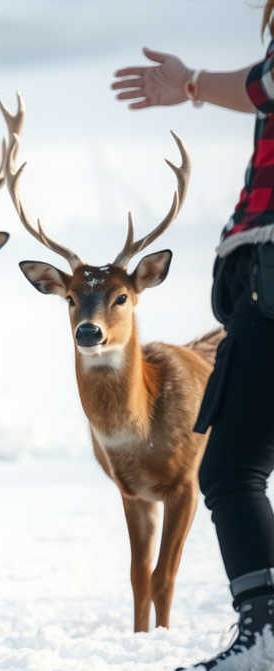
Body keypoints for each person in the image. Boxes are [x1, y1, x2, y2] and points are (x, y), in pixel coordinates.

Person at [112, 7, 274, 670]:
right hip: (257, 281)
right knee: (232, 468)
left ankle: (265, 640)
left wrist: (194, 83)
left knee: (231, 468)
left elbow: (265, 83)